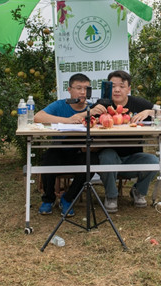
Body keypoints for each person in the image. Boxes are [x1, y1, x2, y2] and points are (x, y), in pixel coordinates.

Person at [33, 73, 106, 217]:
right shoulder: (60, 105)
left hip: (80, 151)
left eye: (86, 88)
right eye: (78, 88)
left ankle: (68, 198)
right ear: (69, 90)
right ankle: (48, 199)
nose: (82, 92)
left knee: (93, 160)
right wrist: (68, 120)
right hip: (59, 149)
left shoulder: (93, 108)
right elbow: (38, 117)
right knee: (48, 158)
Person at [98, 70, 159, 212]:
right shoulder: (102, 104)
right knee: (106, 156)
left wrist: (149, 112)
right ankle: (111, 196)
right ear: (107, 87)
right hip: (110, 157)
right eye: (113, 86)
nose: (117, 89)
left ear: (129, 89)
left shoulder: (139, 104)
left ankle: (138, 191)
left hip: (133, 157)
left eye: (122, 86)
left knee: (154, 162)